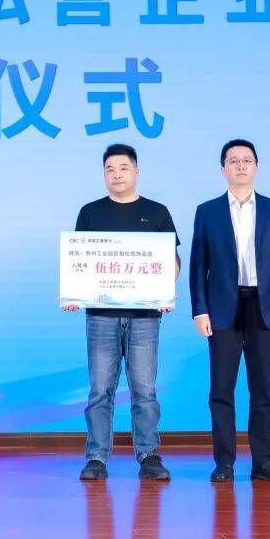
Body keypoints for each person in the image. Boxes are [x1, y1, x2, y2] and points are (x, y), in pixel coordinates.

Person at [66, 144, 180, 482]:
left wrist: (164, 289)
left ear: (136, 172)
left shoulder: (157, 212)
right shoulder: (90, 212)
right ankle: (96, 457)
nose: (116, 174)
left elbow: (172, 261)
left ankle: (149, 455)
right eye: (110, 169)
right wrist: (73, 291)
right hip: (101, 315)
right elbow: (79, 261)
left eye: (123, 168)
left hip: (145, 317)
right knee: (100, 389)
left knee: (144, 389)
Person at [189, 139, 270, 484]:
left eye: (246, 160)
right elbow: (198, 264)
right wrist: (199, 310)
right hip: (222, 308)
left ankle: (263, 463)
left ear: (256, 167)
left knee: (262, 390)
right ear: (223, 168)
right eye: (233, 160)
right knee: (221, 390)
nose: (240, 166)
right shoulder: (207, 211)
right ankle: (224, 463)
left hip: (265, 307)